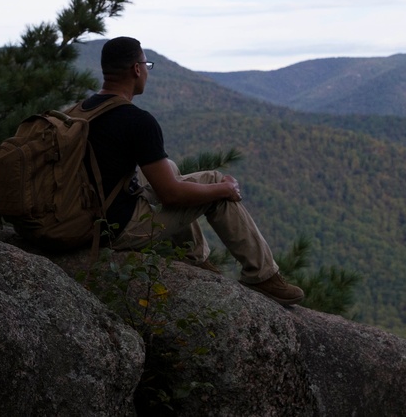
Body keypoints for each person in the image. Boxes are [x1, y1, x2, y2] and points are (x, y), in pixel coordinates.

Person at [79, 36, 304, 306]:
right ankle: (262, 275)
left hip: (87, 214)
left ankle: (193, 257)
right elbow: (172, 195)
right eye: (146, 64)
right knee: (214, 182)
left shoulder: (82, 111)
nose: (147, 72)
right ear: (136, 69)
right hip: (117, 227)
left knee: (170, 168)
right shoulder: (137, 121)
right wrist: (224, 188)